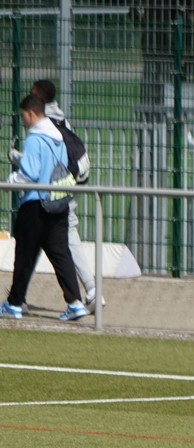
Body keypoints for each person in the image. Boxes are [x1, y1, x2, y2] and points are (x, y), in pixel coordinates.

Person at [8, 79, 102, 312]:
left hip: (40, 200)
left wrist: (13, 169)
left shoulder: (39, 131)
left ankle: (17, 302)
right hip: (62, 192)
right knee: (58, 251)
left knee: (29, 251)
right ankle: (76, 300)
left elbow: (33, 169)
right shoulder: (60, 125)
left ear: (34, 108)